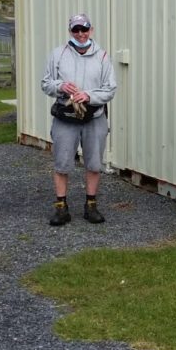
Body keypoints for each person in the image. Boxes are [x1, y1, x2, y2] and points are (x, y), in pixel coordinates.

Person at [41, 13, 117, 226]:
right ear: (70, 31)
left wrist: (89, 96)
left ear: (91, 30)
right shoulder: (58, 54)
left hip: (95, 117)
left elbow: (110, 89)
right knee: (62, 163)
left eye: (84, 29)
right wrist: (60, 86)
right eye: (76, 30)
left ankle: (91, 205)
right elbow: (45, 83)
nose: (80, 34)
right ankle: (61, 207)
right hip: (66, 118)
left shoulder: (102, 56)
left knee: (94, 163)